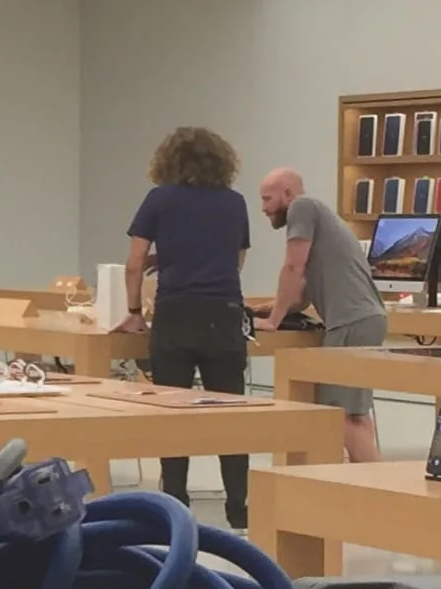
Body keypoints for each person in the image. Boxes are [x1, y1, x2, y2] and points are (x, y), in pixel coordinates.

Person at [126, 127, 253, 528]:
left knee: (172, 412)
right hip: (223, 312)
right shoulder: (235, 202)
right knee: (231, 413)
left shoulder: (159, 199)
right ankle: (238, 507)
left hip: (175, 312)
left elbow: (134, 262)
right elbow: (237, 259)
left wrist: (134, 310)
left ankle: (176, 504)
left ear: (169, 160)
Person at [259, 166, 387, 463]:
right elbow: (301, 295)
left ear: (287, 193)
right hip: (367, 320)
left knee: (337, 415)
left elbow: (294, 267)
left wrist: (273, 321)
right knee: (355, 413)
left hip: (349, 322)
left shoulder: (302, 207)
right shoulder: (321, 217)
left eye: (267, 199)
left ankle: (382, 483)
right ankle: (364, 480)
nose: (263, 208)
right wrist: (263, 310)